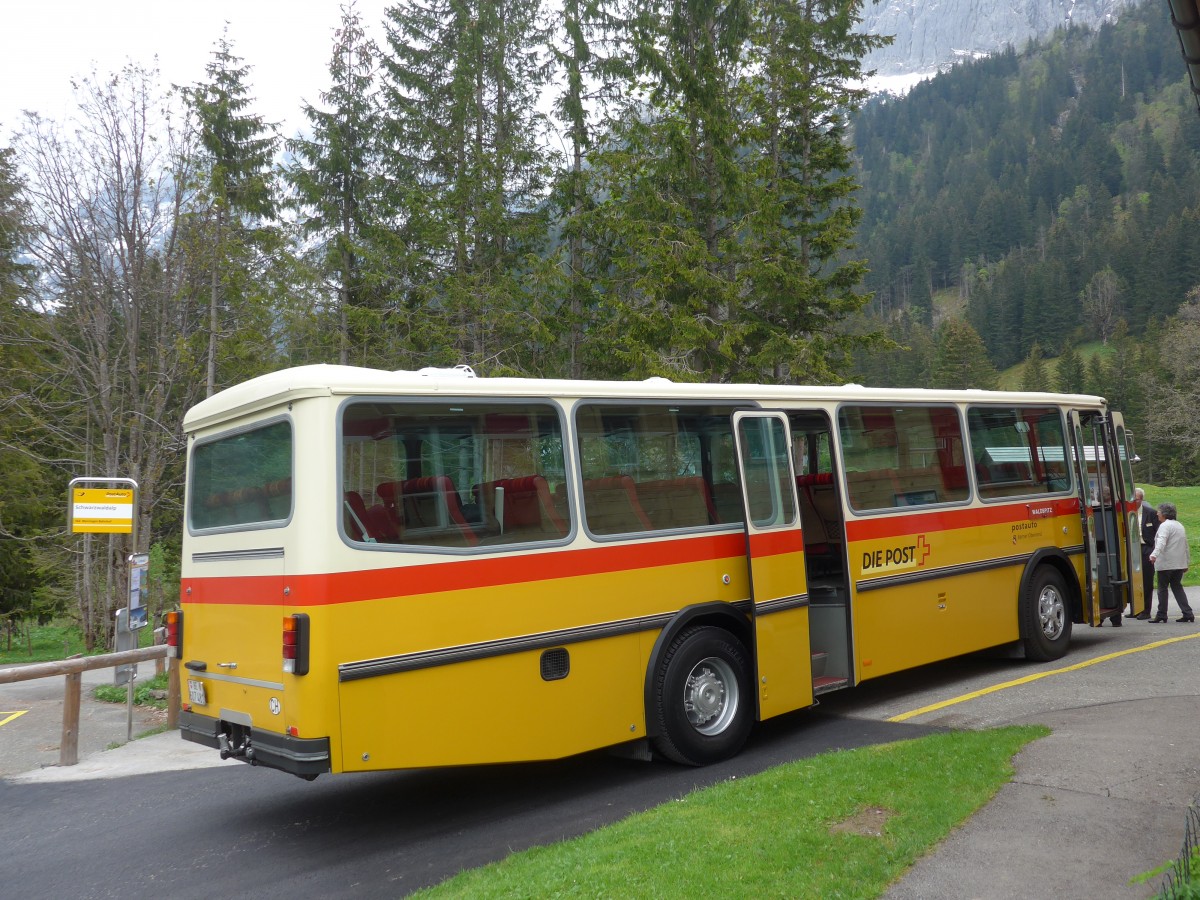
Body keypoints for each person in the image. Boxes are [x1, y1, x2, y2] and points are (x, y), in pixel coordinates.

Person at [1148, 501, 1194, 623]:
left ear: (1164, 513)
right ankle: (1187, 612)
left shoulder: (1165, 526)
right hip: (1178, 563)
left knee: (1162, 588)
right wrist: (1186, 562)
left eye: (1159, 511)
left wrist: (1154, 555)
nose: (1157, 513)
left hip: (1166, 563)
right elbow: (1185, 545)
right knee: (1177, 587)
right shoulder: (1179, 525)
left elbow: (1161, 542)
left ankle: (1162, 614)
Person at [1131, 488, 1159, 620]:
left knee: (1146, 580)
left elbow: (1158, 533)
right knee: (1134, 580)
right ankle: (1136, 609)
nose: (1132, 501)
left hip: (1146, 548)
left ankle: (1146, 610)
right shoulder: (1128, 512)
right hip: (1131, 549)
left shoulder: (1151, 513)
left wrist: (1154, 551)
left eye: (1135, 499)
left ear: (1141, 499)